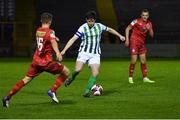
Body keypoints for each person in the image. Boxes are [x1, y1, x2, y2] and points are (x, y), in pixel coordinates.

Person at [2, 12, 70, 107]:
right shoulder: (51, 32)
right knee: (66, 72)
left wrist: (54, 38)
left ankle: (7, 97)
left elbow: (46, 39)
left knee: (26, 79)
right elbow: (52, 41)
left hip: (36, 61)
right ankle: (52, 91)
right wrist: (58, 52)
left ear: (41, 20)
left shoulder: (38, 30)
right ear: (50, 21)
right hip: (47, 62)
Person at [61, 10, 125, 97]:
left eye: (92, 21)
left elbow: (109, 29)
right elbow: (73, 39)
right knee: (78, 70)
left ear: (95, 20)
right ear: (86, 20)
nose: (90, 22)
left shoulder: (99, 26)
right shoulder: (82, 28)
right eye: (88, 21)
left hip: (95, 54)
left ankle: (87, 91)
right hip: (83, 52)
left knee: (95, 72)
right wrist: (64, 50)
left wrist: (119, 35)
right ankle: (72, 78)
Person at [125, 9, 155, 84]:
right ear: (141, 15)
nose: (145, 17)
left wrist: (149, 29)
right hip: (134, 42)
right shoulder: (136, 21)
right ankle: (130, 77)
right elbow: (127, 29)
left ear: (148, 16)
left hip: (141, 44)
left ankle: (145, 78)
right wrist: (127, 40)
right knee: (134, 61)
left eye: (146, 15)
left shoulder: (149, 23)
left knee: (143, 61)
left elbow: (152, 35)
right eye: (143, 15)